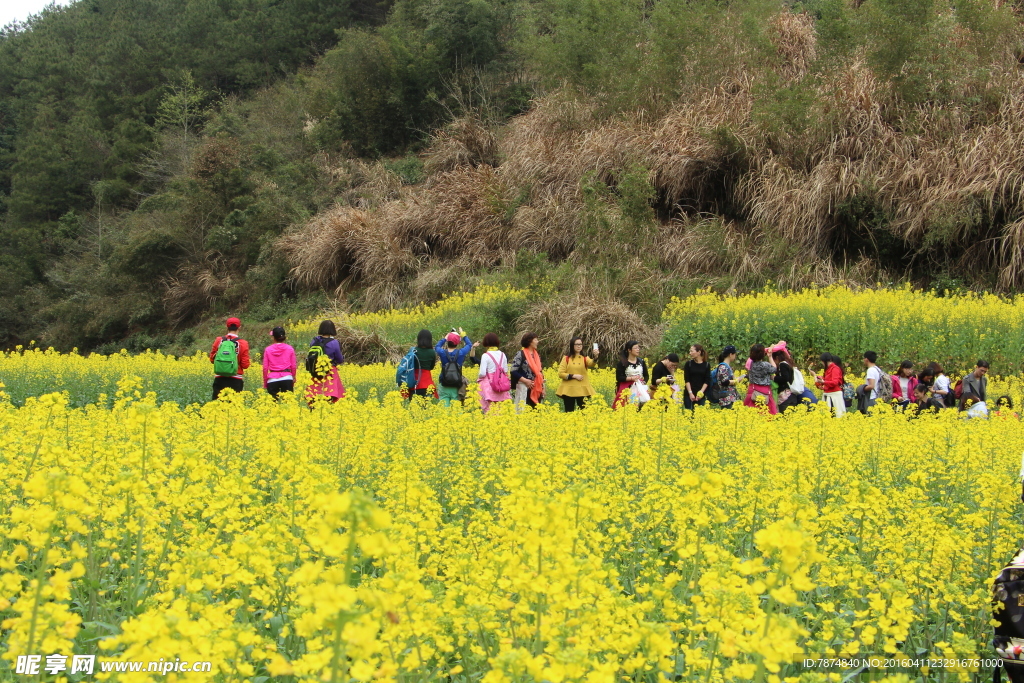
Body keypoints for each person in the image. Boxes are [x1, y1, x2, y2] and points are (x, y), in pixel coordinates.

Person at [209, 317, 251, 400]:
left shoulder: (219, 340)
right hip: (236, 379)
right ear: (239, 327)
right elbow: (245, 365)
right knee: (235, 408)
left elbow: (212, 359)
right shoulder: (243, 343)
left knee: (217, 407)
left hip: (219, 378)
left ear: (226, 327)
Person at [435, 328, 477, 406]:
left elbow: (437, 346)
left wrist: (444, 338)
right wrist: (462, 334)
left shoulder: (442, 352)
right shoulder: (461, 353)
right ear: (458, 343)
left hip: (444, 383)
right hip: (456, 384)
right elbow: (469, 344)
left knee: (443, 410)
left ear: (447, 342)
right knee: (456, 409)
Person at [306, 320, 345, 403]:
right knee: (329, 396)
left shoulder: (314, 341)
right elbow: (339, 359)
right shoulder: (334, 343)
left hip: (315, 372)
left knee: (314, 396)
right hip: (329, 372)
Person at [556, 338, 599, 412]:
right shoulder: (566, 358)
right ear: (572, 345)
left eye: (580, 344)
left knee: (584, 413)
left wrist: (595, 357)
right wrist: (574, 376)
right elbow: (560, 373)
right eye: (577, 344)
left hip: (582, 390)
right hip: (569, 390)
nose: (579, 346)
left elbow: (592, 363)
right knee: (569, 413)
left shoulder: (585, 359)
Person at [511, 333, 545, 410]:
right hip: (524, 387)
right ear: (530, 341)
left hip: (537, 388)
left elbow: (540, 372)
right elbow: (513, 371)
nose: (537, 342)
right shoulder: (521, 354)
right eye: (536, 340)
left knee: (536, 412)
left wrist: (543, 387)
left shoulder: (537, 355)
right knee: (523, 410)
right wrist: (526, 381)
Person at [477, 333, 510, 413]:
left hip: (489, 385)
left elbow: (482, 373)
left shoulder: (485, 355)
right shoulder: (503, 354)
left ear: (486, 342)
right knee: (500, 409)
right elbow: (505, 371)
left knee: (489, 409)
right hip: (501, 384)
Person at [262, 326, 296, 400]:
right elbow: (293, 366)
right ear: (284, 337)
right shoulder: (290, 348)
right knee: (288, 405)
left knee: (273, 406)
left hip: (272, 379)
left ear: (273, 337)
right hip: (287, 378)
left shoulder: (268, 350)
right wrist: (293, 377)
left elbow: (265, 368)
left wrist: (265, 381)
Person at [743, 344, 777, 414]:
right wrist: (770, 357)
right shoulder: (765, 365)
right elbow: (774, 369)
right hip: (763, 391)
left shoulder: (751, 363)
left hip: (752, 390)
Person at [614, 341, 649, 409]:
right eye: (635, 348)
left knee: (641, 406)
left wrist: (644, 382)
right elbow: (619, 377)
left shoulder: (641, 361)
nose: (638, 349)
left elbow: (646, 375)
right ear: (629, 350)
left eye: (638, 348)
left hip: (639, 387)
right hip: (626, 387)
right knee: (625, 407)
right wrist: (631, 378)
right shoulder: (622, 363)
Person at [409, 329, 438, 400]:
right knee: (426, 407)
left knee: (413, 408)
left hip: (414, 383)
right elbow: (431, 367)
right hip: (427, 384)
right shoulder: (432, 352)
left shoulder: (413, 351)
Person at [683, 344, 711, 410]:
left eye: (692, 351)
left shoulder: (706, 365)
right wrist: (690, 393)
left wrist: (701, 392)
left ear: (699, 352)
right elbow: (687, 379)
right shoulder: (688, 364)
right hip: (689, 394)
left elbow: (707, 380)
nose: (690, 353)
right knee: (688, 414)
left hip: (701, 395)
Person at [817, 352, 846, 417]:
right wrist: (823, 387)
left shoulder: (835, 368)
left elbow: (835, 382)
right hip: (828, 394)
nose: (822, 363)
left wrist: (824, 382)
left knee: (836, 415)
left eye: (822, 361)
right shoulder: (828, 369)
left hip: (834, 396)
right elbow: (828, 383)